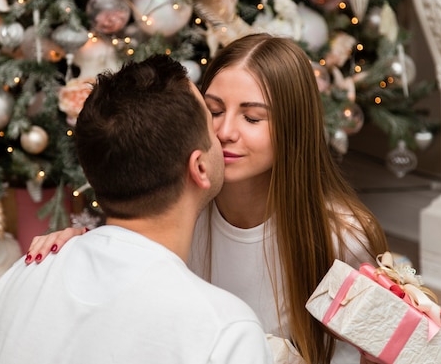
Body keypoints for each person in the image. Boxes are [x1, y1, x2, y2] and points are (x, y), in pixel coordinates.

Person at [26, 34, 390, 364]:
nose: (226, 132)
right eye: (214, 111)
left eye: (252, 118)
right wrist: (76, 250)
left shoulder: (343, 236)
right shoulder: (179, 210)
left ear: (294, 129)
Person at [0, 55, 273, 364]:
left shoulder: (19, 279)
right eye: (212, 116)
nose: (224, 134)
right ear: (200, 167)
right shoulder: (225, 331)